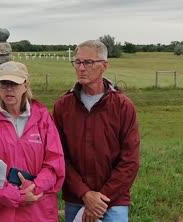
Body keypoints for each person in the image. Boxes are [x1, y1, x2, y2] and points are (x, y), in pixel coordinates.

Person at [53, 40, 140, 222]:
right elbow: (59, 156)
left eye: (88, 62)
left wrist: (100, 199)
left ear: (104, 66)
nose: (81, 68)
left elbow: (130, 160)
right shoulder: (63, 106)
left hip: (112, 201)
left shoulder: (123, 106)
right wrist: (85, 193)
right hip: (76, 199)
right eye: (77, 62)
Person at [0, 61, 65, 222]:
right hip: (0, 212)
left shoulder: (43, 119)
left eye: (15, 84)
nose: (9, 89)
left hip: (38, 209)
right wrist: (18, 196)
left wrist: (33, 188)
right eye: (4, 84)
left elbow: (54, 163)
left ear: (25, 86)